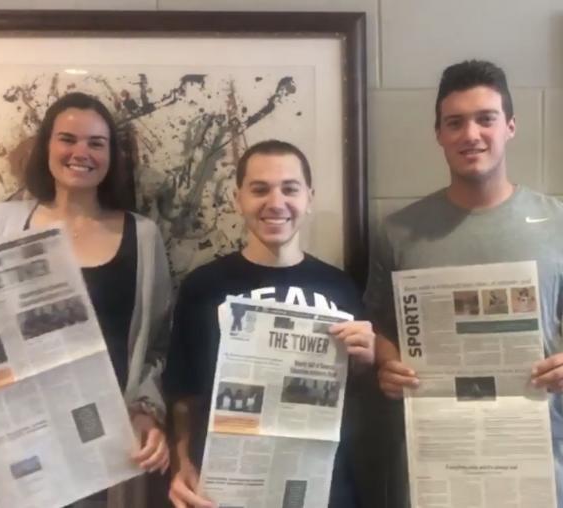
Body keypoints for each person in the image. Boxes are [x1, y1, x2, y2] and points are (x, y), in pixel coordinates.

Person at [0, 92, 172, 508]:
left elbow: (158, 344)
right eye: (68, 139)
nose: (81, 152)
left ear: (112, 155)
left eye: (96, 142)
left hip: (105, 446)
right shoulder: (1, 224)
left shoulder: (142, 236)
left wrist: (148, 410)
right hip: (19, 445)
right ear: (47, 148)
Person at [365, 60, 563, 507]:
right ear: (439, 134)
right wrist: (388, 364)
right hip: (434, 462)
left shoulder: (557, 223)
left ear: (510, 126)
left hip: (536, 459)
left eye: (485, 119)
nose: (471, 135)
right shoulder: (397, 231)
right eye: (455, 122)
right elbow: (377, 325)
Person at [163, 139, 375, 508]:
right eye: (259, 189)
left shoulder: (340, 286)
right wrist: (181, 465)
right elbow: (184, 396)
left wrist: (367, 361)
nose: (275, 203)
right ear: (237, 198)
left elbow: (356, 393)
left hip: (322, 487)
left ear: (309, 197)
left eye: (289, 189)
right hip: (225, 488)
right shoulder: (203, 286)